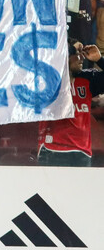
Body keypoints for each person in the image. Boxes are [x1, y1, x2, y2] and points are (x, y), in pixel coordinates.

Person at [38, 39, 104, 167]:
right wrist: (70, 49)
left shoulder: (88, 79)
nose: (81, 58)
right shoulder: (49, 80)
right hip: (52, 148)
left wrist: (99, 59)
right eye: (76, 54)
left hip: (81, 152)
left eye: (82, 54)